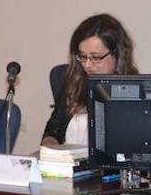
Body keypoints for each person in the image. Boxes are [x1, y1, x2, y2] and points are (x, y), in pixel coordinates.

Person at [41, 14, 138, 148]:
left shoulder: (134, 91)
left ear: (117, 54)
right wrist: (49, 146)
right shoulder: (74, 82)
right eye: (83, 56)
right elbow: (54, 129)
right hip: (69, 163)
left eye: (96, 57)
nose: (87, 65)